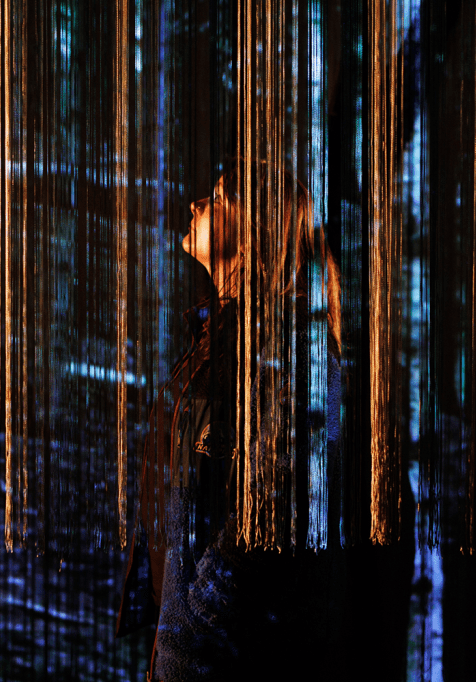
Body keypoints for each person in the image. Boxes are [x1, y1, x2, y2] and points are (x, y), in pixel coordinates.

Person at [116, 160, 343, 680]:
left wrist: (196, 625)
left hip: (226, 657)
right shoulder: (219, 339)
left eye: (218, 199)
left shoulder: (294, 350)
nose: (196, 204)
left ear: (253, 235)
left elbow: (283, 507)